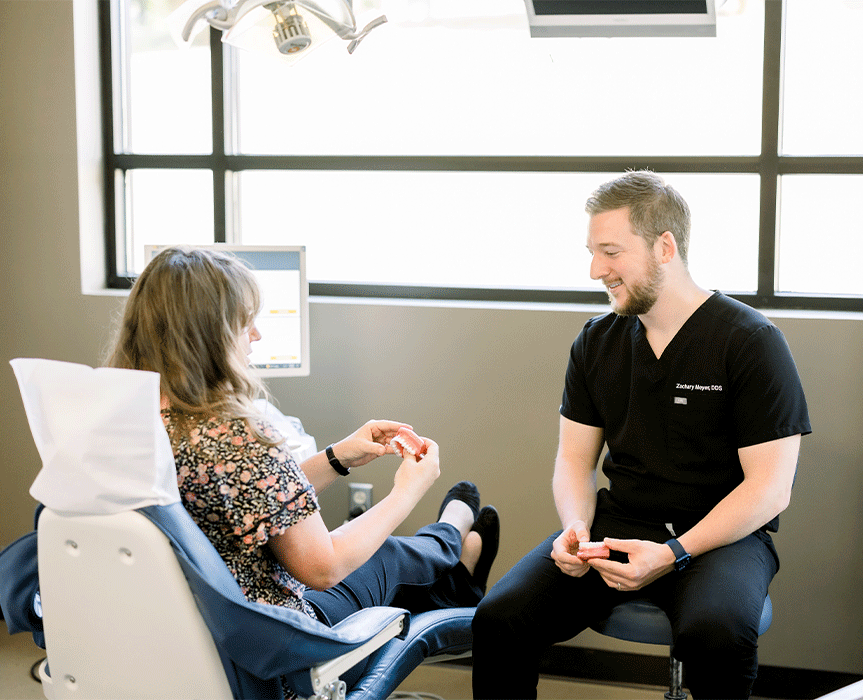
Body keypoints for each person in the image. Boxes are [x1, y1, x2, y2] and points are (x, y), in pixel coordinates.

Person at [471, 171, 811, 700]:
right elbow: (574, 464)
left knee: (715, 633)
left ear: (665, 247)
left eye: (610, 252)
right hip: (617, 527)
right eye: (590, 252)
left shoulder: (751, 341)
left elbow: (769, 489)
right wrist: (575, 528)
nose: (594, 271)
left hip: (722, 538)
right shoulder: (596, 341)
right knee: (499, 617)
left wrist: (674, 551)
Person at [106, 246, 500, 690]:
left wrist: (336, 458)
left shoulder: (124, 419)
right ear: (208, 337)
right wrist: (407, 490)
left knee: (383, 557)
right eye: (244, 322)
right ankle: (451, 551)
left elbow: (251, 496)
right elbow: (322, 568)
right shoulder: (239, 439)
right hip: (276, 644)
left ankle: (451, 561)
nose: (254, 335)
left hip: (177, 636)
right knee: (384, 553)